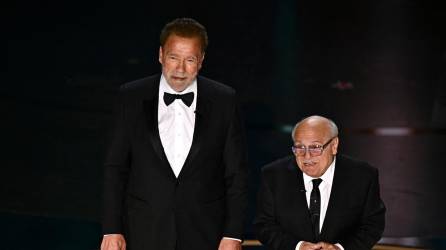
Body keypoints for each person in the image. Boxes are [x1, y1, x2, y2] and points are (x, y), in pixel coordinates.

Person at [100, 18, 248, 250]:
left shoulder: (224, 100)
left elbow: (236, 174)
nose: (180, 68)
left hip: (205, 233)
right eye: (173, 57)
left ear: (201, 61)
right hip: (142, 231)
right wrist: (112, 228)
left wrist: (233, 234)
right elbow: (115, 167)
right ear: (160, 55)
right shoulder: (131, 96)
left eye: (189, 59)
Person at [254, 115, 385, 250]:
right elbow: (264, 225)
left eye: (315, 147)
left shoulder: (362, 176)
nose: (307, 156)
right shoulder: (273, 175)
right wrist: (297, 247)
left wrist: (340, 248)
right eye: (300, 147)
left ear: (334, 146)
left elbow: (373, 224)